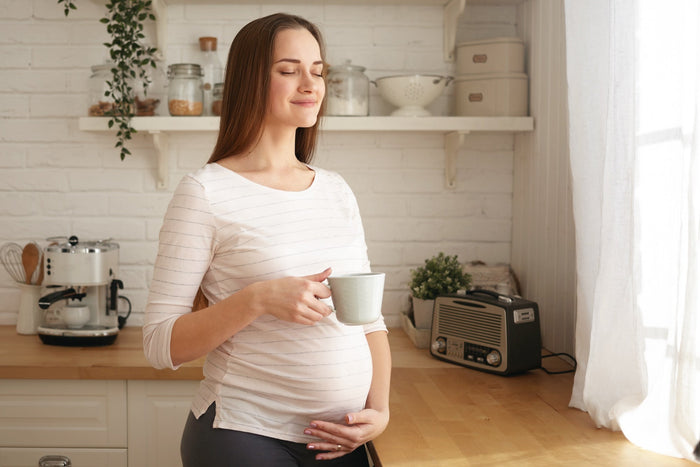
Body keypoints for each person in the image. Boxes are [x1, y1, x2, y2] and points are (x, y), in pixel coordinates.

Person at [142, 12, 391, 467]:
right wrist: (256, 299)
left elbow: (369, 321)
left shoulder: (335, 189)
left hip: (339, 438)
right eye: (288, 70)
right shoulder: (205, 191)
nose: (310, 84)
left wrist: (381, 411)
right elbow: (160, 344)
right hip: (243, 433)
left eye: (317, 71)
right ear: (250, 81)